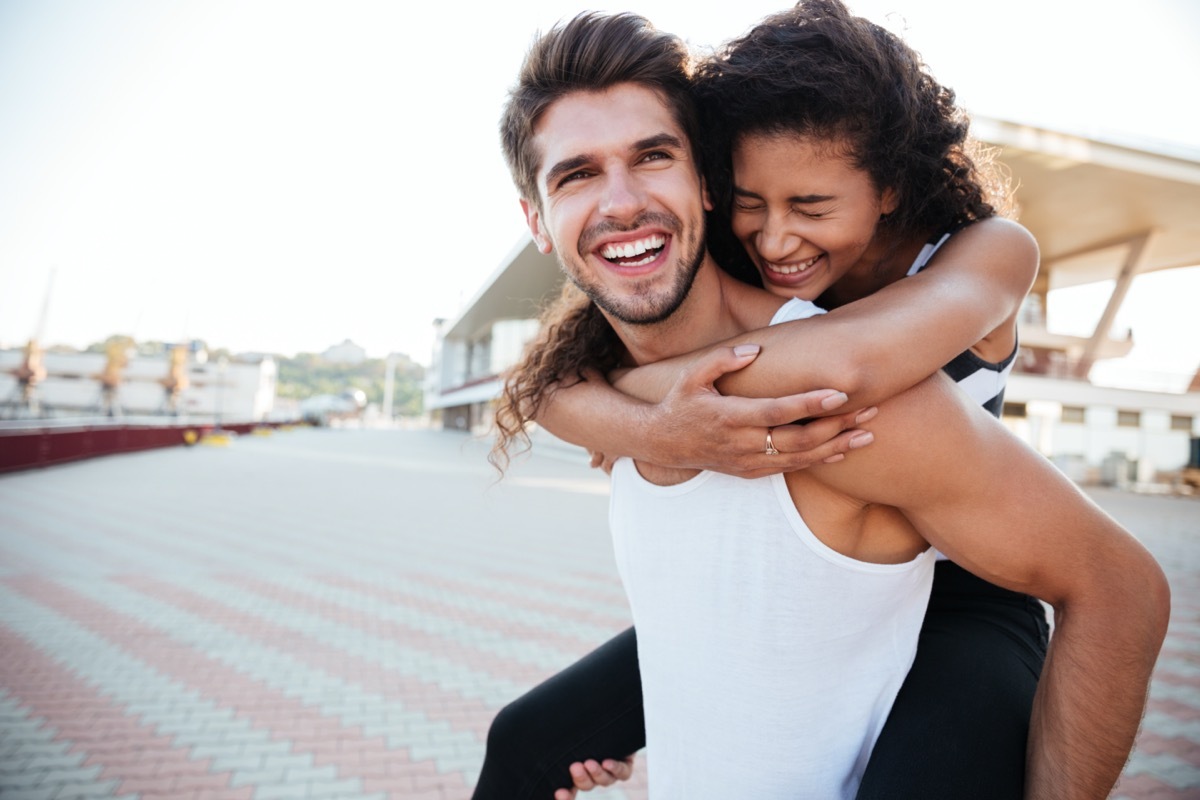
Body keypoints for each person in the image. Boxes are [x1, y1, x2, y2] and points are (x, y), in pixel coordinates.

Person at [475, 6, 1169, 799]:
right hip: (849, 567)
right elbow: (548, 382)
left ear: (888, 189)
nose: (776, 241)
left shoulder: (976, 262)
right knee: (525, 742)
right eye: (577, 173)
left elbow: (848, 361)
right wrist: (651, 426)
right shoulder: (745, 274)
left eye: (811, 208)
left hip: (974, 584)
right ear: (722, 187)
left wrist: (641, 411)